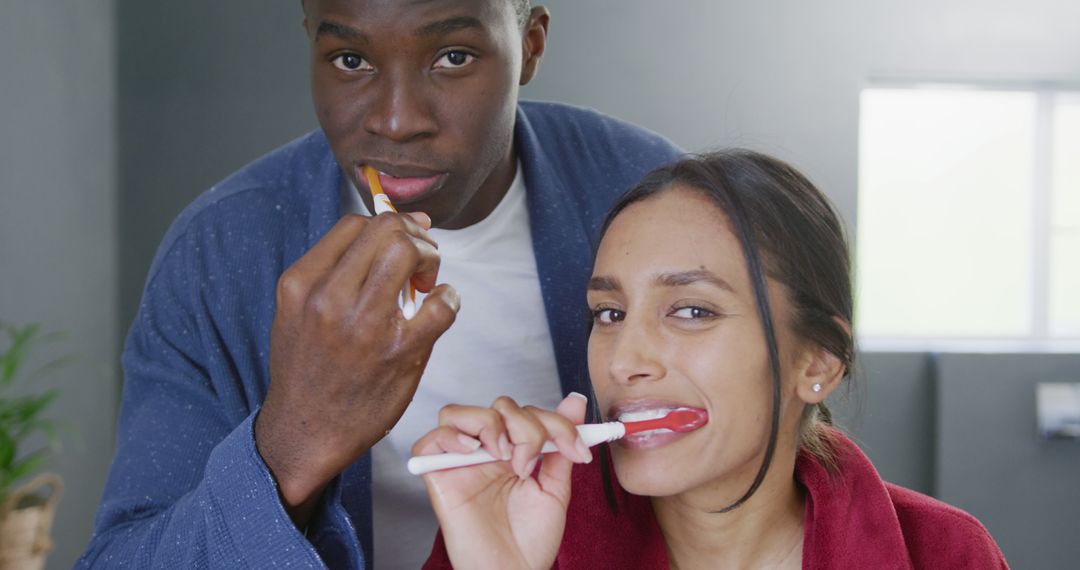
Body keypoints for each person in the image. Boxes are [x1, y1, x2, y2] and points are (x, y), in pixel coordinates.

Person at [77, 1, 681, 568]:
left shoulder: (655, 199)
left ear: (530, 44)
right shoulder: (218, 253)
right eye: (351, 61)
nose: (396, 122)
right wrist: (295, 441)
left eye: (453, 57)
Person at [416, 151, 1009, 569]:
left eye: (692, 311)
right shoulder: (512, 536)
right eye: (609, 313)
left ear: (818, 362)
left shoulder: (948, 554)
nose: (624, 361)